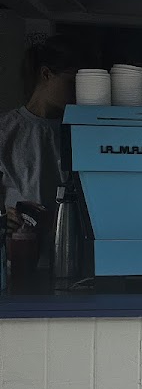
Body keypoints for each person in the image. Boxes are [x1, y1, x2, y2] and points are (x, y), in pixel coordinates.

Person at [0, 33, 80, 239]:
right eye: (72, 82)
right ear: (46, 74)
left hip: (67, 245)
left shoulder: (79, 132)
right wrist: (3, 217)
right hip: (18, 247)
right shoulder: (5, 131)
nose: (78, 92)